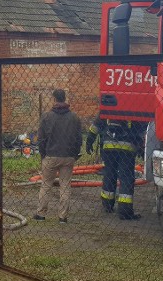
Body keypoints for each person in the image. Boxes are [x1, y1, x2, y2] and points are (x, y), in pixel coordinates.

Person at [34, 89, 82, 223]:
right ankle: (62, 217)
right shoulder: (74, 117)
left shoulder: (47, 116)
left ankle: (41, 214)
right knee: (65, 185)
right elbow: (78, 138)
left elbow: (41, 139)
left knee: (46, 184)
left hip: (50, 155)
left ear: (54, 99)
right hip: (68, 156)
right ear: (65, 98)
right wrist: (74, 154)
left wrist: (43, 154)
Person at [86, 118, 145, 220]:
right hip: (127, 148)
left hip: (109, 145)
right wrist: (141, 147)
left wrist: (89, 140)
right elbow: (141, 129)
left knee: (109, 174)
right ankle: (124, 211)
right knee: (126, 177)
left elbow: (96, 124)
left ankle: (107, 205)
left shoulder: (110, 103)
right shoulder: (134, 106)